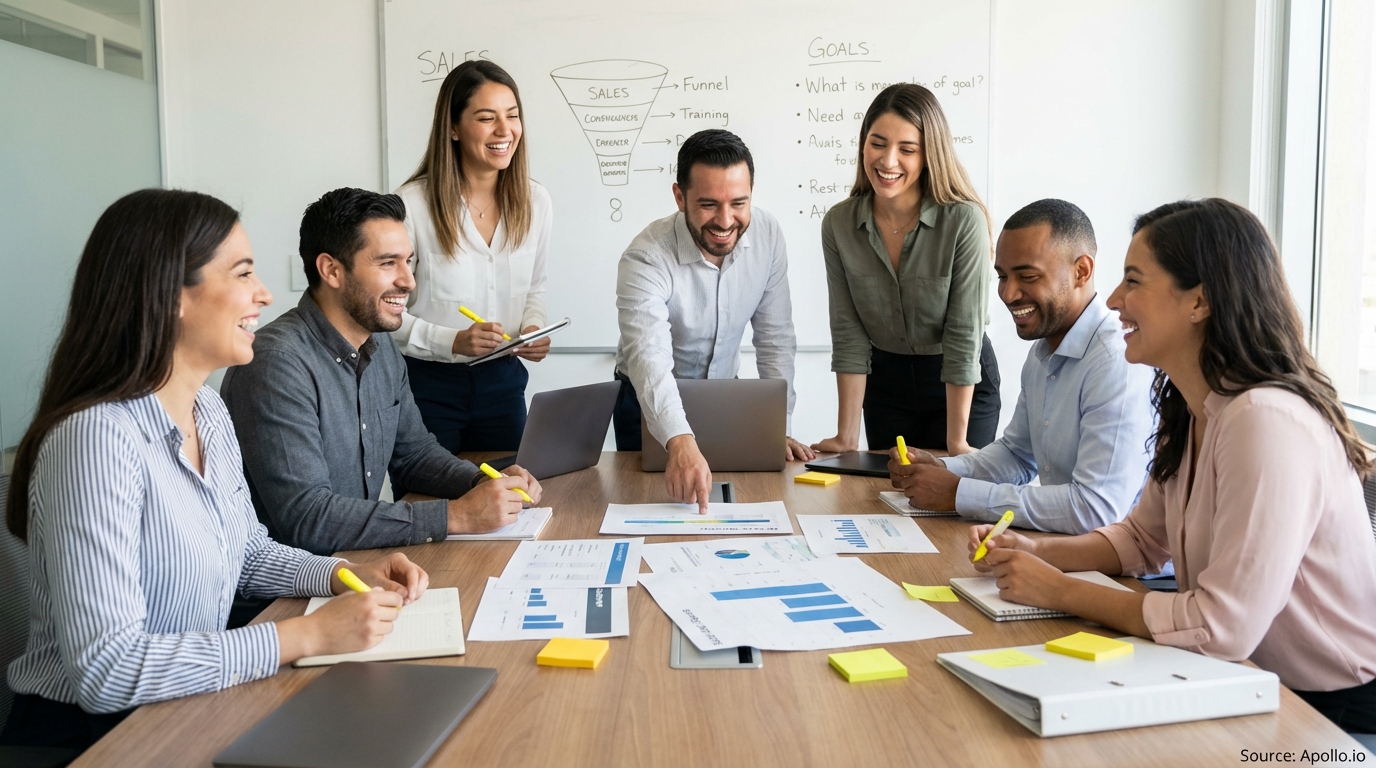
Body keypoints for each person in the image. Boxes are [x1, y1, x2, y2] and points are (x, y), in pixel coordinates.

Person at [0, 190, 427, 753]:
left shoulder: (208, 410)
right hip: (94, 741)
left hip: (190, 706)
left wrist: (344, 574)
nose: (265, 294)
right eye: (243, 273)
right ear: (170, 294)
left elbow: (248, 553)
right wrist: (305, 635)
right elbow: (107, 670)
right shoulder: (94, 439)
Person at [972, 198, 1376, 733]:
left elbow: (1220, 625)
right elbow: (1142, 541)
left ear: (1199, 302)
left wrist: (1059, 588)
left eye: (1133, 281)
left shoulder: (1265, 419)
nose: (1114, 300)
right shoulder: (1192, 404)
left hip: (1328, 708)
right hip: (1240, 676)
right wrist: (1037, 551)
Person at [222, 188, 540, 556]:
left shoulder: (381, 345)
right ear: (332, 270)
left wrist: (486, 482)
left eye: (409, 261)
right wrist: (456, 516)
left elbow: (415, 455)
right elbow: (307, 518)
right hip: (291, 588)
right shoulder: (276, 362)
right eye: (388, 263)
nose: (409, 281)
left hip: (358, 564)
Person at [888, 199, 1154, 533]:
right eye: (1002, 276)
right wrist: (944, 469)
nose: (1009, 294)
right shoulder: (1044, 349)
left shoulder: (1117, 362)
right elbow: (1017, 455)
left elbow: (1095, 510)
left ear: (1081, 271)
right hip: (1070, 551)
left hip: (1125, 574)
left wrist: (958, 492)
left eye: (1027, 276)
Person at [613, 129, 814, 513]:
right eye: (708, 204)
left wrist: (778, 428)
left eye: (739, 202)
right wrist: (679, 440)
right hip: (648, 399)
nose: (725, 220)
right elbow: (649, 358)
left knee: (729, 509)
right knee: (651, 509)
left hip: (725, 397)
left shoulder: (768, 235)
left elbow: (775, 339)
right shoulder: (646, 256)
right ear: (679, 197)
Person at [812, 84, 999, 456]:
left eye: (907, 149)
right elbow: (849, 331)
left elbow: (964, 334)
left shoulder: (963, 221)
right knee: (887, 497)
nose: (888, 160)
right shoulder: (839, 223)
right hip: (886, 385)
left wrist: (957, 442)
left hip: (958, 383)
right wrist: (846, 436)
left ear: (930, 154)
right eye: (877, 143)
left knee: (951, 500)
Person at [392, 59, 552, 455]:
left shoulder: (536, 201)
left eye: (512, 116)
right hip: (426, 388)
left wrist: (534, 326)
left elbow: (535, 287)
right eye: (486, 118)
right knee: (430, 507)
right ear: (452, 127)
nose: (505, 131)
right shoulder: (411, 205)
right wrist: (452, 341)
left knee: (514, 503)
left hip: (504, 385)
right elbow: (386, 313)